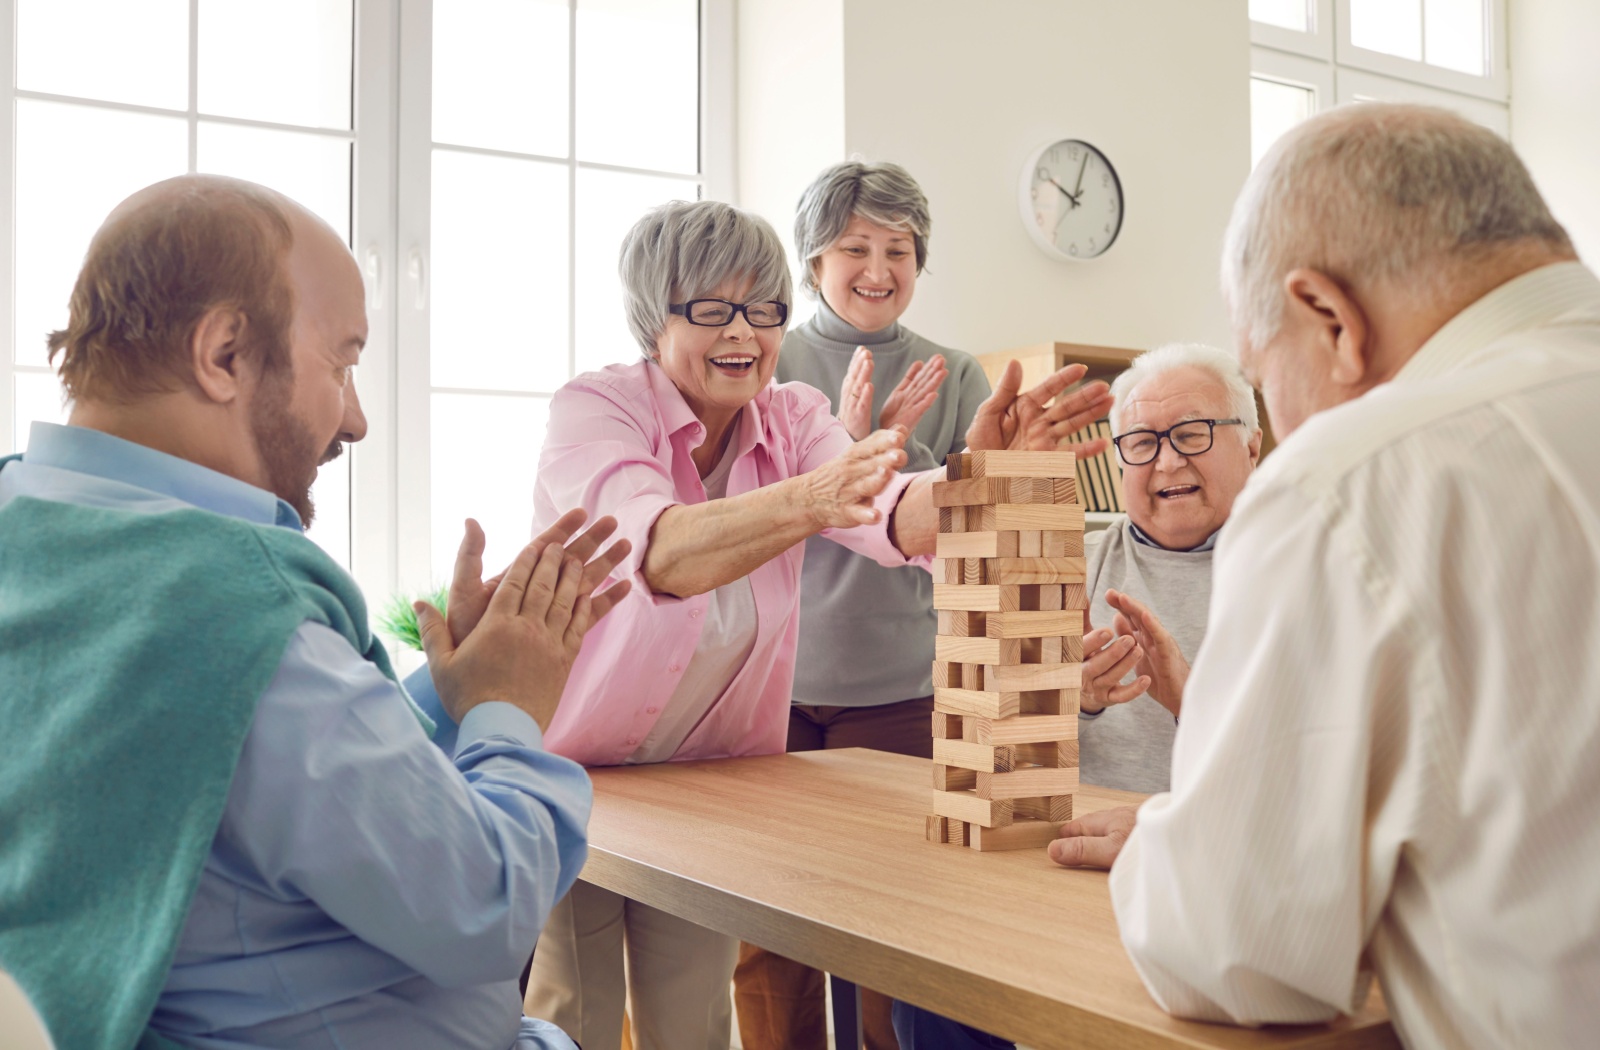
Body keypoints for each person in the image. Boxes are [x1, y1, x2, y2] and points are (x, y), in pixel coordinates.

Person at [0, 175, 630, 1050]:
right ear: (223, 355)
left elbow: (223, 770)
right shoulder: (232, 611)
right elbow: (486, 906)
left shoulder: (39, 535)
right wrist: (512, 708)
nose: (358, 419)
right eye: (342, 362)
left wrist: (448, 703)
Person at [485, 198, 1110, 1050]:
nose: (743, 332)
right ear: (651, 317)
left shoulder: (792, 418)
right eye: (712, 309)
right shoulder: (595, 411)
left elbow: (887, 512)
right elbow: (660, 553)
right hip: (571, 769)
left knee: (693, 1022)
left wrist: (987, 482)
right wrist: (812, 500)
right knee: (577, 1016)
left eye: (764, 309)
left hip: (708, 779)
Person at [1050, 103, 1600, 1049]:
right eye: (1141, 441)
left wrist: (1179, 844)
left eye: (1266, 374)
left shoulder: (1354, 479)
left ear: (1331, 320)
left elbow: (1236, 951)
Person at [734, 160, 1015, 1050]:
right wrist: (848, 454)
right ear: (814, 258)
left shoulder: (957, 371)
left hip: (899, 690)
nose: (878, 268)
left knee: (892, 927)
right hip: (770, 686)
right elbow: (753, 517)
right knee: (769, 925)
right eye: (855, 246)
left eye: (898, 249)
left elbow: (972, 533)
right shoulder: (767, 360)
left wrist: (903, 457)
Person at [1077, 342, 1261, 793]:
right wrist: (1073, 700)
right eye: (1142, 442)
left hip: (1224, 849)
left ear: (1251, 446)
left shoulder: (1306, 570)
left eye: (1192, 433)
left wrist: (1191, 703)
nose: (1168, 461)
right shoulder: (1072, 566)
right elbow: (1006, 746)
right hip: (1076, 841)